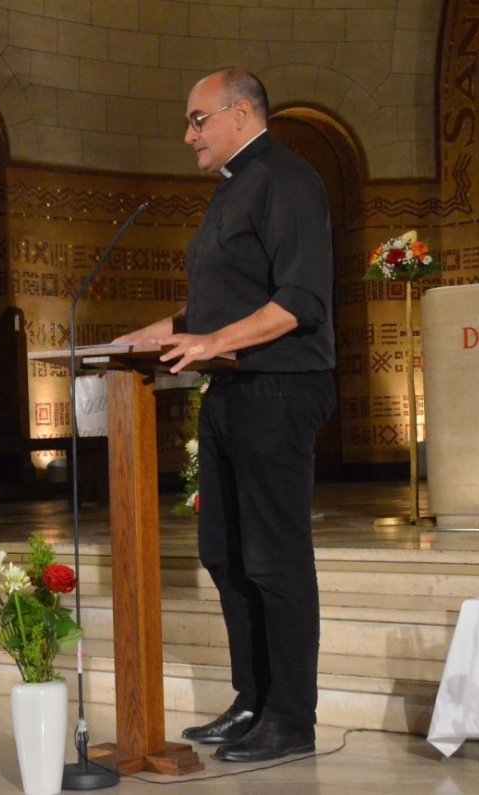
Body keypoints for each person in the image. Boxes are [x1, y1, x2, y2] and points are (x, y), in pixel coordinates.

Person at [114, 69, 335, 762]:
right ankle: (252, 699)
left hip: (279, 388)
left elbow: (301, 298)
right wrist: (137, 340)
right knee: (225, 551)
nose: (188, 135)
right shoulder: (233, 190)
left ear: (240, 113)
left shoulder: (287, 179)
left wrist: (211, 343)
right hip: (232, 391)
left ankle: (291, 717)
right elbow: (213, 311)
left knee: (275, 557)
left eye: (197, 119)